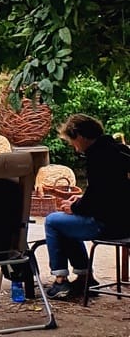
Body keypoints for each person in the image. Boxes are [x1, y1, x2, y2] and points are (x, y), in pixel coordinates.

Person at [44, 113, 130, 300]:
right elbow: (109, 192)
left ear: (80, 136)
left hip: (109, 224)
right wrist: (80, 201)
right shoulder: (120, 150)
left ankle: (60, 280)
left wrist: (74, 207)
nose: (75, 148)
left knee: (52, 221)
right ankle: (84, 277)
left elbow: (99, 199)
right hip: (125, 220)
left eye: (73, 142)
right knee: (66, 223)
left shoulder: (98, 156)